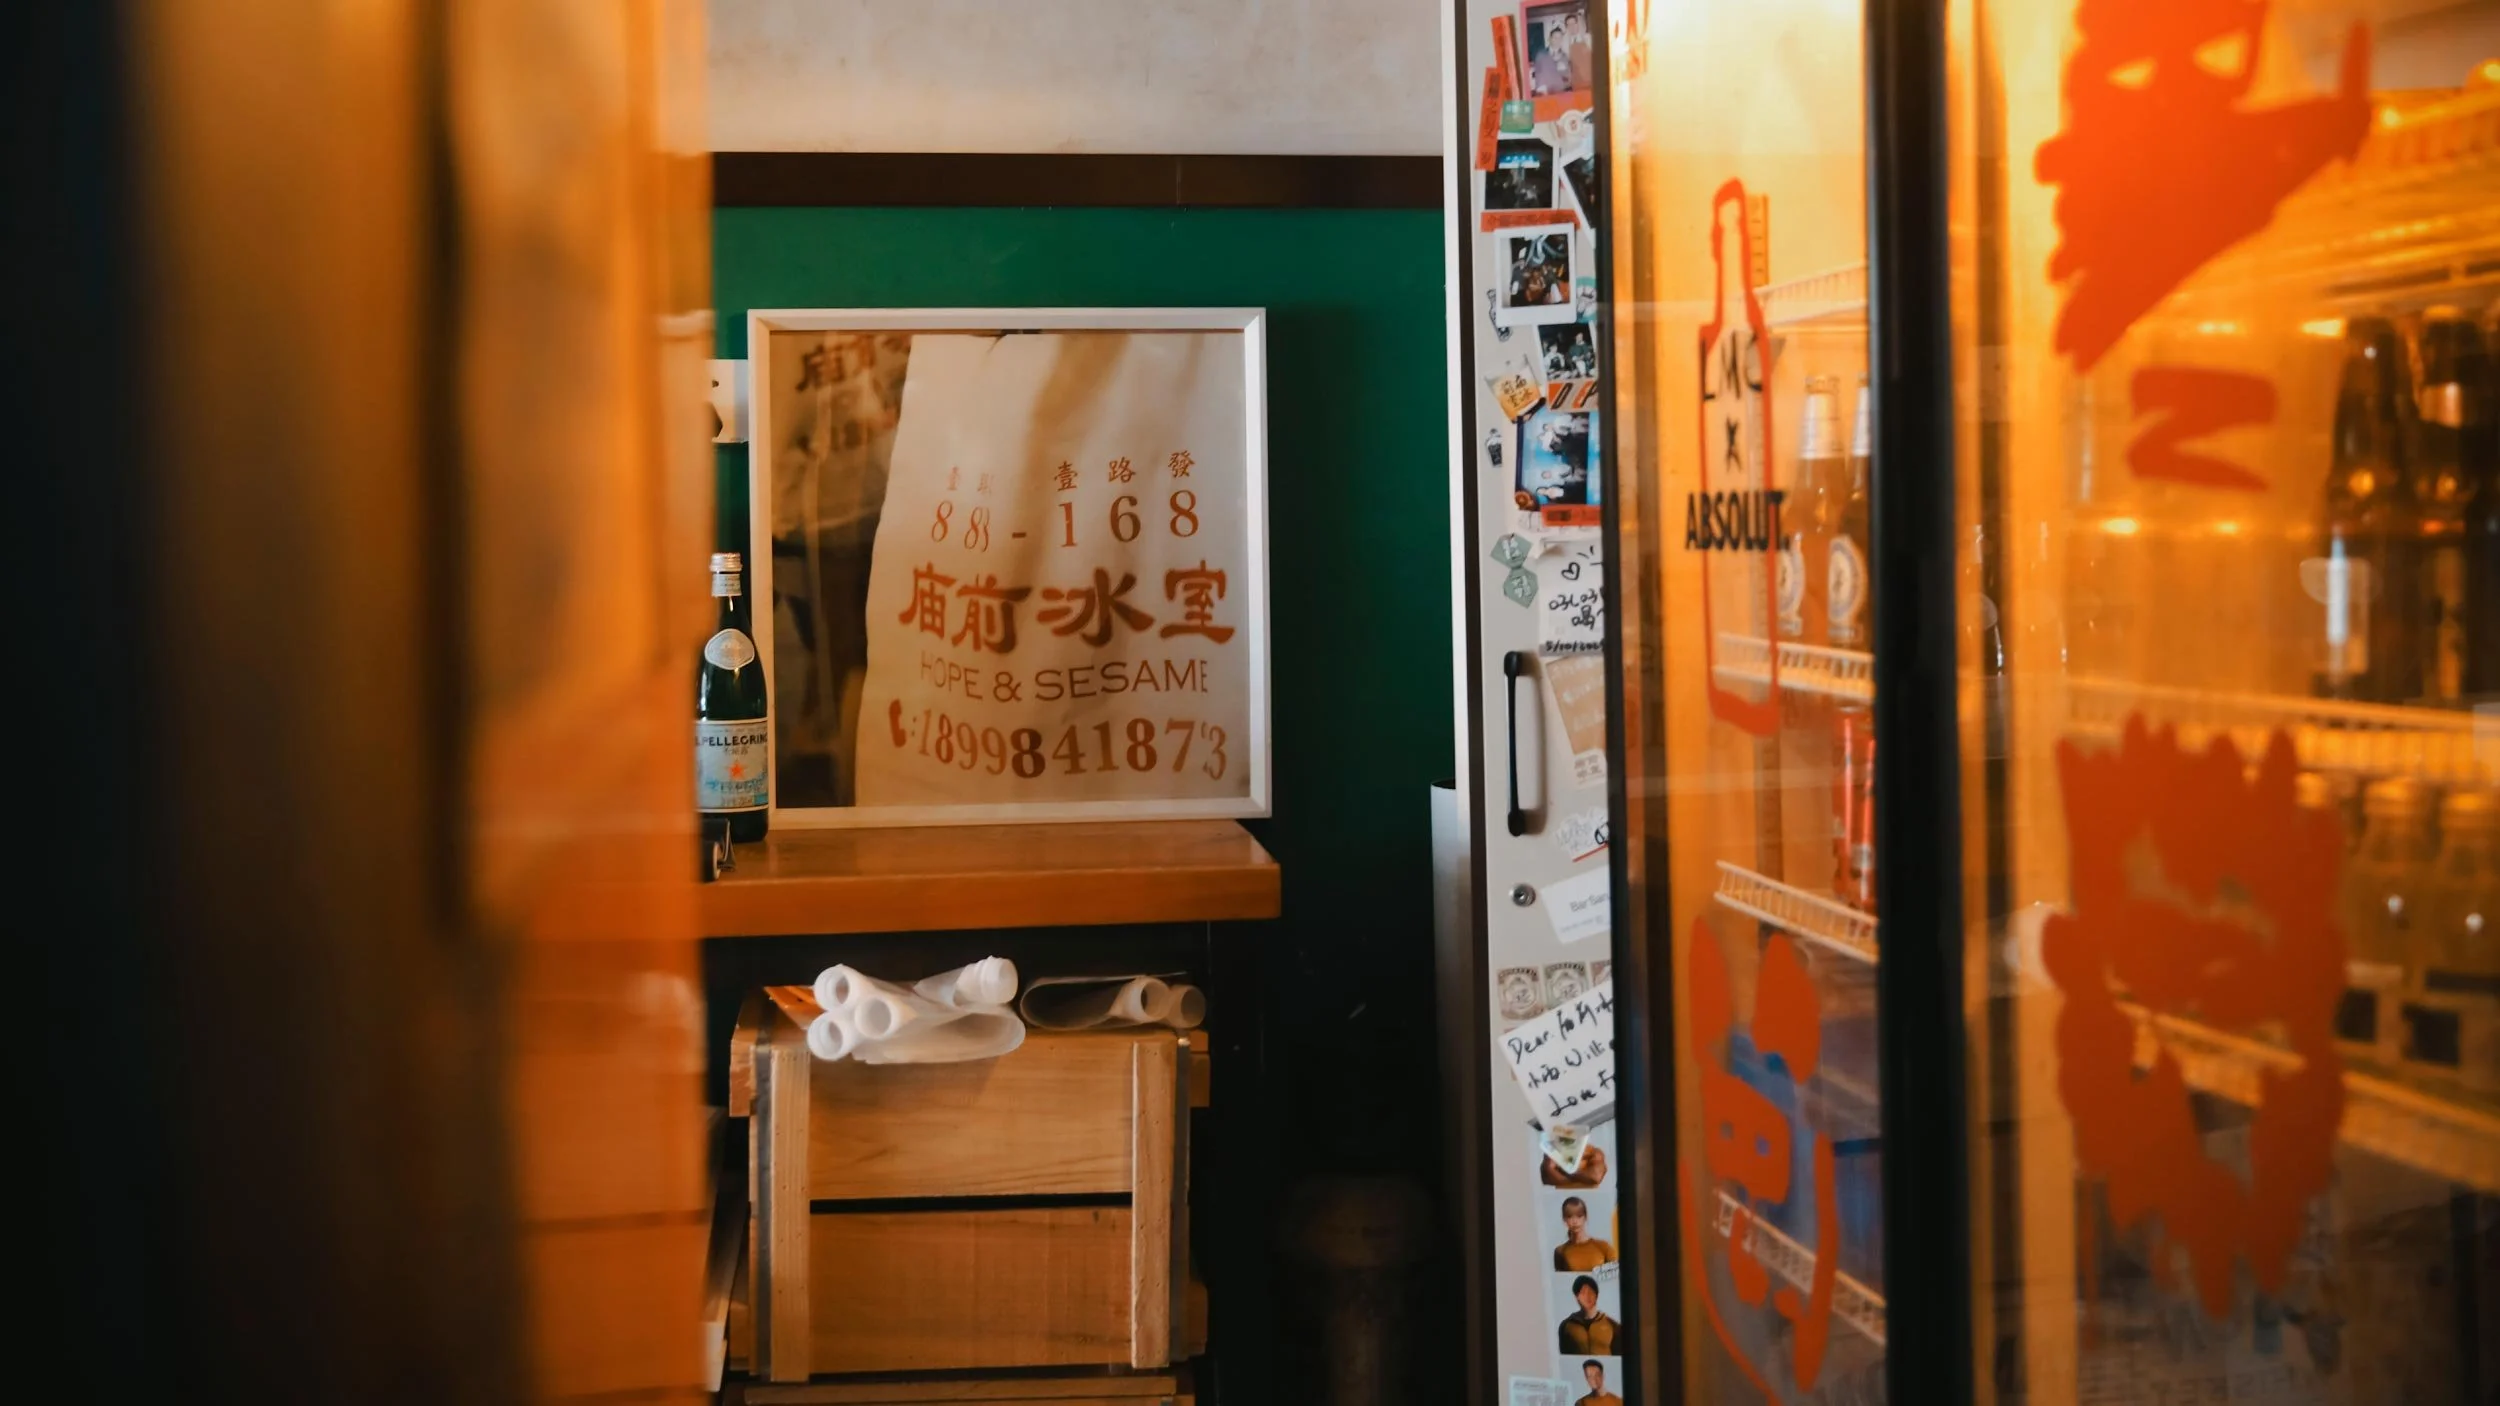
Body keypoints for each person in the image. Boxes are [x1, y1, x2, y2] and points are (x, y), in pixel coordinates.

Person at [1558, 1275, 1619, 1355]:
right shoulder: (1566, 1326)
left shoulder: (1613, 1325)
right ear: (1577, 1297)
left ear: (1596, 1295)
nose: (1587, 1296)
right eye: (1583, 1292)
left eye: (1591, 1292)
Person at [1553, 1196, 1618, 1271]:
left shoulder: (1604, 1247)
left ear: (1585, 1217)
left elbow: (1615, 1276)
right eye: (1570, 1216)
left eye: (1579, 1216)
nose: (1575, 1221)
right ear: (1564, 1219)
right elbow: (1560, 1280)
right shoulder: (1560, 1251)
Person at [1540, 1141, 1608, 1188]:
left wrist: (1564, 1170)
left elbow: (1595, 1177)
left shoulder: (1594, 1152)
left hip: (1592, 1198)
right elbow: (1547, 1178)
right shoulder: (1553, 1151)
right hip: (1559, 1197)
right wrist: (1584, 1178)